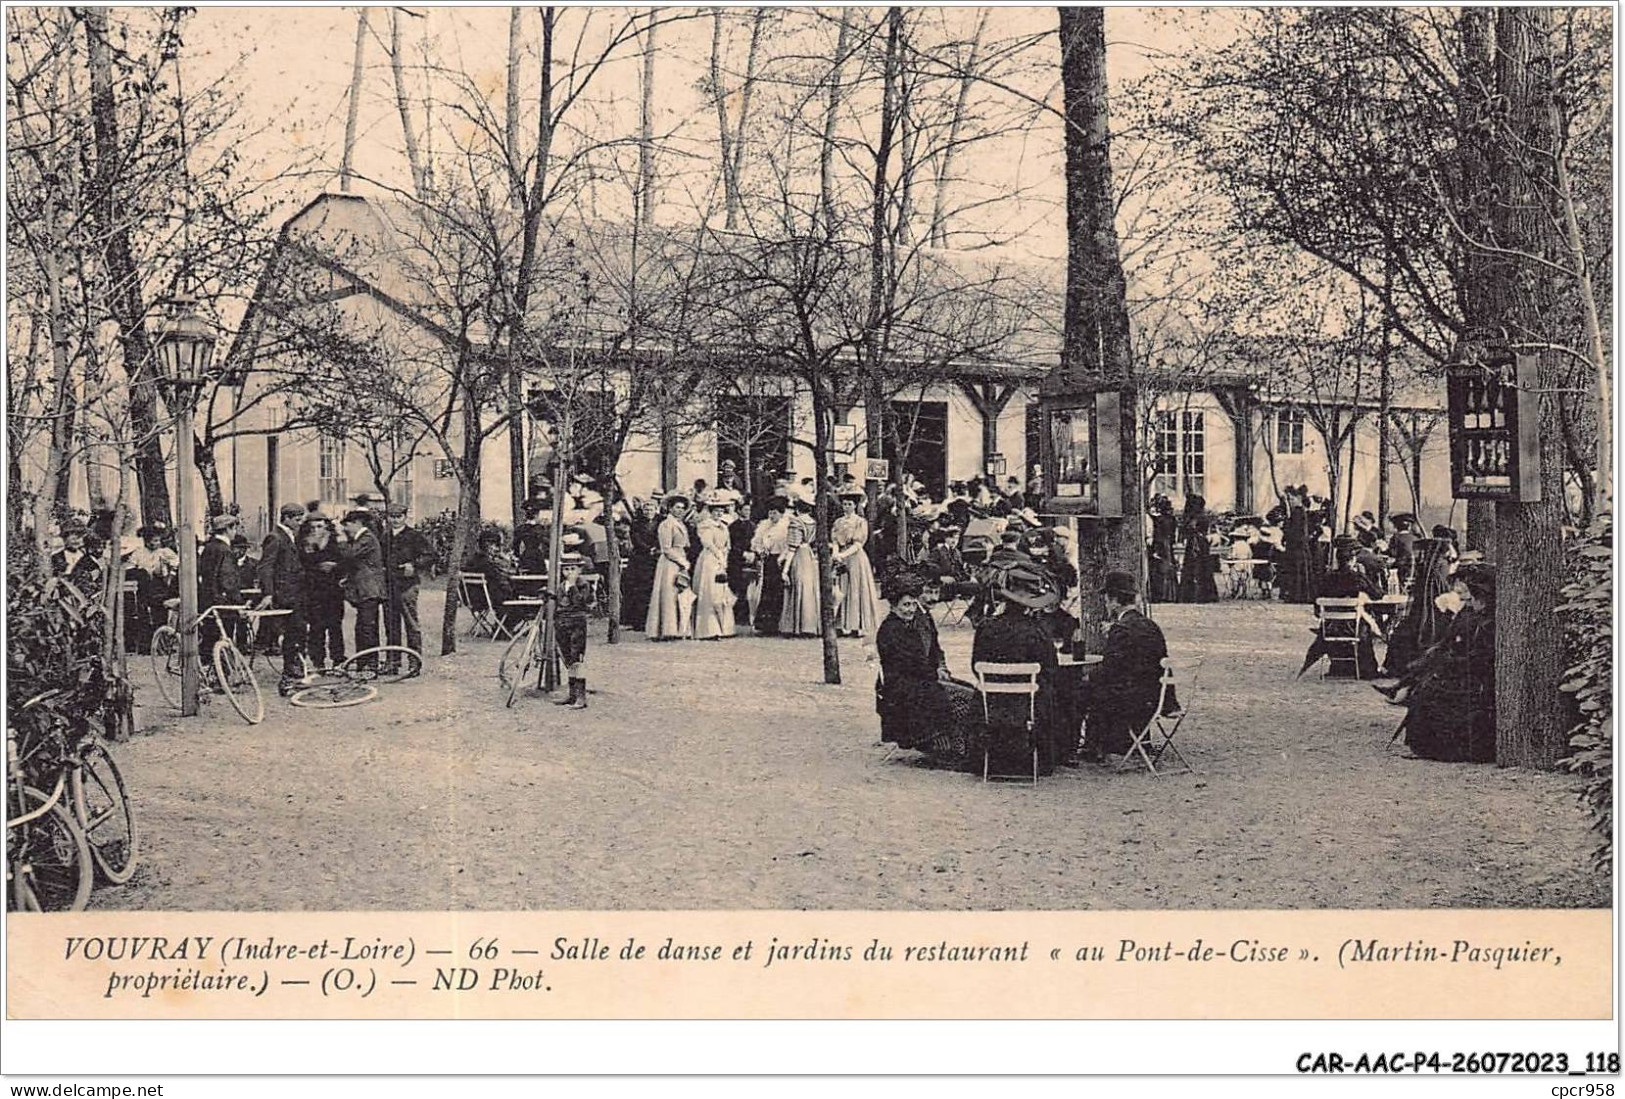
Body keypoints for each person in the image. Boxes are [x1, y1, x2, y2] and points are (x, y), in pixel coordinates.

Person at [1396, 565, 1496, 763]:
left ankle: (1444, 748)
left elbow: (1481, 657)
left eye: (1470, 598)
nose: (1467, 602)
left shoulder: (1489, 621)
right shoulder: (1469, 614)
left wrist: (1450, 663)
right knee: (1427, 686)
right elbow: (1450, 640)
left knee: (1433, 693)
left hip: (1477, 678)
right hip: (1462, 669)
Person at [970, 564, 1063, 775]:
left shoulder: (986, 627)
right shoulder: (1037, 631)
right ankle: (1043, 760)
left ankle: (986, 761)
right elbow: (1050, 669)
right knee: (1052, 692)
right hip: (1028, 704)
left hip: (992, 702)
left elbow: (976, 665)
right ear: (1030, 605)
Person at [1084, 570, 1172, 761]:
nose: (1106, 604)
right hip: (1156, 696)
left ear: (1115, 601)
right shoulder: (1150, 625)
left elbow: (1110, 669)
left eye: (1107, 599)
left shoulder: (1121, 629)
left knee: (1082, 690)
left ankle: (1092, 747)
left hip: (1132, 700)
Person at [875, 573, 956, 752]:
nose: (910, 610)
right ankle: (940, 743)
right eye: (905, 605)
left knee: (959, 688)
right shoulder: (891, 630)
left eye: (912, 604)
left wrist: (939, 670)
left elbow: (924, 657)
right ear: (893, 606)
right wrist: (936, 674)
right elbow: (911, 663)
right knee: (951, 696)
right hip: (901, 686)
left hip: (913, 678)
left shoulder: (904, 625)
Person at [1380, 537, 1453, 680]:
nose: (1418, 557)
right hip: (1425, 615)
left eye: (1421, 554)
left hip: (1429, 617)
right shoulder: (1435, 569)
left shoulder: (1432, 573)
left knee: (1404, 634)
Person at [258, 502, 309, 695]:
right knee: (293, 633)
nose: (299, 523)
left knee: (297, 633)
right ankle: (290, 674)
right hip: (285, 595)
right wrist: (269, 593)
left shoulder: (291, 537)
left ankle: (295, 670)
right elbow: (265, 566)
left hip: (295, 594)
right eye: (297, 519)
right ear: (286, 518)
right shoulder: (275, 537)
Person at [384, 503, 433, 672]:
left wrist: (414, 564)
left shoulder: (414, 536)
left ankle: (414, 663)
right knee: (391, 626)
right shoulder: (385, 536)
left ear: (405, 517)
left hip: (407, 586)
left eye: (399, 517)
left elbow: (430, 555)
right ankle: (393, 663)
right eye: (392, 516)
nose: (395, 520)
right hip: (389, 586)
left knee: (411, 625)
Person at [340, 509, 386, 671]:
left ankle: (369, 665)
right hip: (365, 590)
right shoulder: (362, 538)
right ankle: (364, 662)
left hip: (369, 590)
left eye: (347, 525)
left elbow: (349, 554)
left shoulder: (366, 538)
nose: (345, 529)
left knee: (367, 628)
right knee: (363, 627)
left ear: (357, 523)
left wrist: (336, 541)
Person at [298, 515, 346, 672]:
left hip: (333, 592)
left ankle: (338, 660)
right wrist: (317, 566)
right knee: (316, 627)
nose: (316, 530)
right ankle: (318, 662)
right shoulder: (303, 543)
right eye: (312, 527)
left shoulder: (335, 543)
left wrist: (335, 567)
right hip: (314, 590)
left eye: (319, 526)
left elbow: (346, 562)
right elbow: (302, 565)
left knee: (335, 627)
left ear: (327, 527)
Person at [832, 488, 881, 638]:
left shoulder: (860, 522)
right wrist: (835, 553)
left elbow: (858, 544)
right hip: (841, 557)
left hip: (855, 557)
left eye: (849, 504)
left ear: (855, 506)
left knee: (855, 588)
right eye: (844, 504)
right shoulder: (838, 522)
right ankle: (841, 625)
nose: (846, 507)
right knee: (841, 589)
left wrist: (843, 554)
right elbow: (834, 540)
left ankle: (856, 625)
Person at [549, 553, 595, 709]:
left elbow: (581, 603)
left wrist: (573, 586)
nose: (569, 573)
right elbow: (559, 604)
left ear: (579, 570)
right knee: (567, 658)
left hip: (577, 624)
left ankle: (581, 696)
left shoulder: (584, 586)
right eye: (566, 569)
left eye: (573, 569)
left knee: (577, 659)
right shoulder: (561, 586)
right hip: (563, 624)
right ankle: (572, 693)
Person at [198, 514, 244, 665]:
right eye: (234, 528)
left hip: (208, 601)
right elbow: (228, 581)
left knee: (209, 639)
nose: (235, 532)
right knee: (225, 638)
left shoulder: (208, 548)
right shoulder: (225, 550)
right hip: (223, 603)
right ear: (228, 529)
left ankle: (207, 672)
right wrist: (238, 604)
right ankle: (221, 676)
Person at [126, 523, 179, 654]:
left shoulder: (164, 552)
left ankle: (163, 646)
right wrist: (142, 572)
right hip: (144, 587)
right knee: (144, 616)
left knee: (160, 616)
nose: (157, 543)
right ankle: (146, 646)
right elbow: (130, 568)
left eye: (158, 540)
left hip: (160, 586)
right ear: (147, 541)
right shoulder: (139, 553)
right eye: (154, 540)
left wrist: (169, 573)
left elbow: (176, 563)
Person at [646, 493, 692, 640]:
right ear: (670, 508)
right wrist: (681, 561)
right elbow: (666, 548)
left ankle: (680, 628)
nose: (680, 510)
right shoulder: (666, 525)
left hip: (680, 559)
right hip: (669, 563)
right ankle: (667, 629)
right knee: (668, 594)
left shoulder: (680, 524)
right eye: (677, 507)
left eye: (682, 508)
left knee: (680, 593)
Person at [691, 492, 736, 640]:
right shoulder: (705, 525)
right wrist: (719, 555)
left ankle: (725, 627)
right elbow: (708, 543)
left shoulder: (724, 526)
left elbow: (727, 545)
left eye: (721, 510)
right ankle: (709, 629)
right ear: (710, 512)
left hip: (721, 560)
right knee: (709, 591)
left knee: (721, 592)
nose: (718, 513)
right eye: (715, 510)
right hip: (709, 560)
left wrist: (724, 558)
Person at [463, 528, 525, 631]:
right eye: (495, 545)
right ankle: (503, 630)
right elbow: (500, 580)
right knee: (518, 605)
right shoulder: (487, 563)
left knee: (509, 599)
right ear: (488, 545)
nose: (497, 549)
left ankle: (500, 628)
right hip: (485, 599)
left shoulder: (473, 560)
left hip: (472, 599)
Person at [778, 496, 820, 637]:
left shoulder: (796, 522)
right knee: (809, 589)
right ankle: (810, 625)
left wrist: (784, 569)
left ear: (797, 509)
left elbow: (792, 548)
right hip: (809, 556)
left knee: (797, 587)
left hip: (799, 557)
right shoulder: (813, 522)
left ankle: (797, 626)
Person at [750, 495, 789, 634]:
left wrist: (781, 557)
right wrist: (761, 551)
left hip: (780, 560)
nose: (772, 515)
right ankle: (764, 624)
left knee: (778, 592)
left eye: (775, 513)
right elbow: (756, 543)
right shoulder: (764, 526)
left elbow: (788, 546)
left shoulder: (785, 527)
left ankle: (777, 623)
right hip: (768, 561)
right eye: (770, 512)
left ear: (781, 513)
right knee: (767, 590)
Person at [620, 499, 658, 630]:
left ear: (656, 510)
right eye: (646, 510)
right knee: (639, 589)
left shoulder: (659, 523)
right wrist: (648, 549)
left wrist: (656, 548)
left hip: (655, 558)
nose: (649, 512)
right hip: (640, 559)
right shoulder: (637, 524)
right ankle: (638, 621)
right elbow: (636, 539)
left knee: (651, 588)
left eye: (651, 509)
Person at [1176, 495, 1218, 603]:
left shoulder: (1196, 518)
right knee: (1201, 569)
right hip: (1200, 544)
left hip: (1196, 544)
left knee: (1196, 569)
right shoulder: (1201, 516)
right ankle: (1203, 595)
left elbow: (1189, 529)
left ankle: (1195, 595)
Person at [1277, 486, 1314, 603]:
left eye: (1291, 499)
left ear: (1298, 498)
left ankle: (1297, 596)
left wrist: (1285, 529)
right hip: (1297, 547)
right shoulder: (1298, 512)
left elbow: (1296, 532)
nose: (1290, 502)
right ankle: (1299, 595)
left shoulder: (1298, 512)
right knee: (1297, 571)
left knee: (1297, 571)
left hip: (1297, 547)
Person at [52, 518, 101, 591]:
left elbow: (95, 571)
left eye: (79, 536)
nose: (76, 540)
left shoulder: (85, 557)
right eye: (71, 537)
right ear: (64, 539)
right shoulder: (57, 557)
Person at [1146, 495, 1179, 603]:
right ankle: (1171, 595)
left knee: (1159, 570)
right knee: (1168, 568)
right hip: (1167, 545)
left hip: (1160, 545)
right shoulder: (1171, 519)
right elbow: (1173, 535)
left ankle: (1160, 594)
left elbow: (1157, 535)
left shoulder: (1158, 520)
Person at [513, 499, 550, 574]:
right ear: (537, 514)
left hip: (525, 557)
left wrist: (517, 557)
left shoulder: (520, 529)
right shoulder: (541, 528)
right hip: (537, 557)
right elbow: (547, 544)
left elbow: (515, 546)